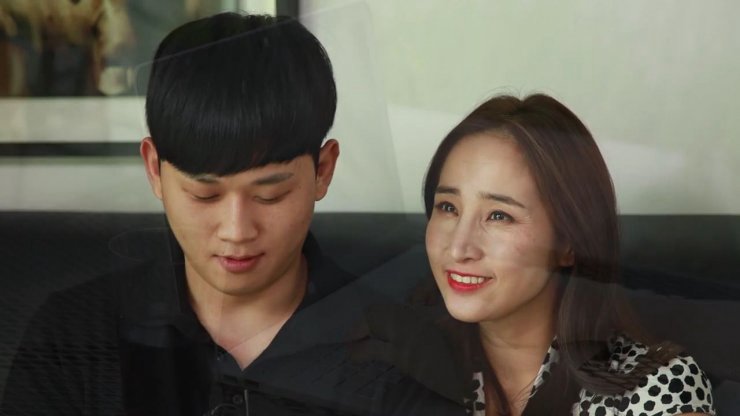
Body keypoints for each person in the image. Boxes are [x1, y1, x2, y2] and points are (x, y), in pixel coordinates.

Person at [2, 12, 455, 416]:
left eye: (270, 196)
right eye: (204, 195)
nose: (236, 231)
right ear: (154, 170)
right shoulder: (75, 336)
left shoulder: (396, 354)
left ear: (323, 170)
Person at [419, 94, 716, 415]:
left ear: (569, 242)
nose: (459, 247)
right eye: (447, 207)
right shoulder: (405, 369)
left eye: (499, 215)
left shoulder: (655, 390)